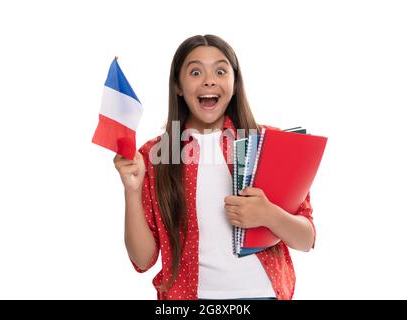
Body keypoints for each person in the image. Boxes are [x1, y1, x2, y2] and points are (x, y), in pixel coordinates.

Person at [113, 34, 316, 300]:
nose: (209, 79)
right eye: (195, 72)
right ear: (178, 85)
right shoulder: (155, 156)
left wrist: (269, 215)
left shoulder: (269, 145)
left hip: (264, 294)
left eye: (220, 71)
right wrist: (132, 190)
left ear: (234, 82)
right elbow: (142, 259)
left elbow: (306, 239)